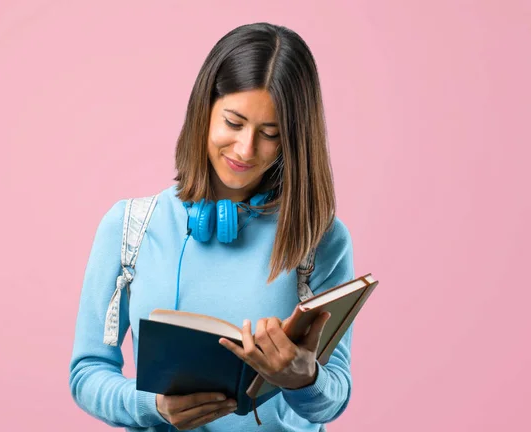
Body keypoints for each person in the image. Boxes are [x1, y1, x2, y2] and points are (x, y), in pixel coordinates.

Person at [69, 22, 355, 431]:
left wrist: (304, 380)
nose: (245, 149)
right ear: (204, 108)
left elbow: (334, 397)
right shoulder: (130, 226)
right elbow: (88, 372)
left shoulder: (320, 240)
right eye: (234, 123)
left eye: (270, 134)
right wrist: (152, 405)